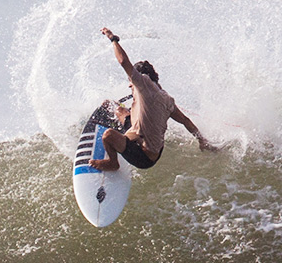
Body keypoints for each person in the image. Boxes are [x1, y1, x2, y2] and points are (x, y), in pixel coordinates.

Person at [89, 27, 214, 171]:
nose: (130, 83)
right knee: (117, 109)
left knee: (108, 135)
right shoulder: (166, 98)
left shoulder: (143, 83)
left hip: (143, 156)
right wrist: (201, 140)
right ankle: (125, 135)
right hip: (155, 149)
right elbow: (185, 121)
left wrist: (112, 38)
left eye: (131, 80)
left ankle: (113, 162)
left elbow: (123, 61)